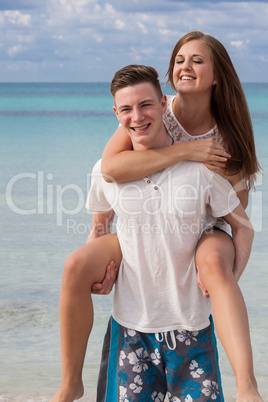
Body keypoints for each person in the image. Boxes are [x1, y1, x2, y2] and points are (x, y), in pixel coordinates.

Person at [51, 32, 262, 402]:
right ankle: (70, 383)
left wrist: (224, 281)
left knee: (213, 261)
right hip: (143, 218)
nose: (185, 66)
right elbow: (112, 171)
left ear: (217, 76)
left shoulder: (227, 138)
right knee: (76, 265)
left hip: (205, 226)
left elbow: (237, 219)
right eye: (180, 59)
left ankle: (248, 387)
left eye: (197, 60)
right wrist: (185, 151)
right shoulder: (145, 112)